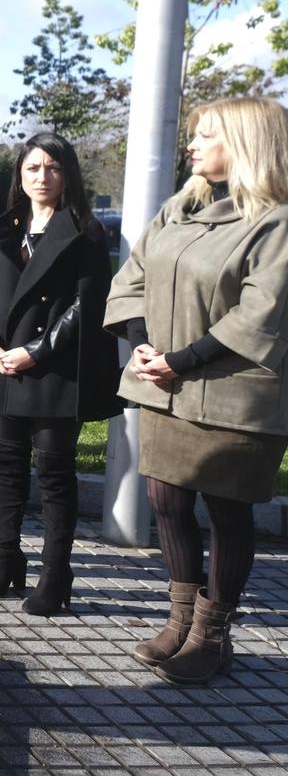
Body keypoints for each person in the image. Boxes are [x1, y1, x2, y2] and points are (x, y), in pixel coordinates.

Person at [104, 96, 288, 685]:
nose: (193, 144)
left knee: (227, 513)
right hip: (167, 383)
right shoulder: (181, 207)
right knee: (166, 501)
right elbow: (132, 278)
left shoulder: (276, 220)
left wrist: (182, 359)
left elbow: (265, 310)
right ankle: (181, 619)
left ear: (244, 144)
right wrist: (141, 344)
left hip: (235, 393)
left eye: (205, 134)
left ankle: (213, 635)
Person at [0, 133, 121, 616]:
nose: (41, 177)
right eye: (32, 168)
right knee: (6, 469)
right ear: (20, 174)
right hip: (2, 367)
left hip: (56, 370)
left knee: (54, 476)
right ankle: (5, 560)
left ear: (67, 174)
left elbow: (86, 305)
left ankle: (56, 574)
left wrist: (34, 352)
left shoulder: (86, 231)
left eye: (52, 168)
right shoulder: (4, 228)